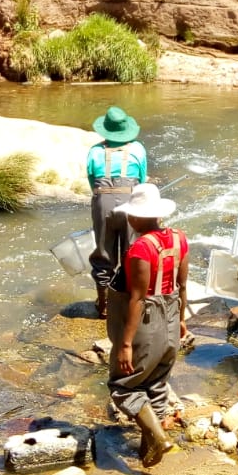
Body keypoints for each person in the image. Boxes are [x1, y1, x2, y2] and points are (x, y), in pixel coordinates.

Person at [107, 182, 187, 469]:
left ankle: (157, 436)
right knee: (155, 383)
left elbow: (138, 299)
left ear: (138, 217)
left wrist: (125, 345)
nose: (128, 219)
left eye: (131, 214)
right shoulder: (178, 238)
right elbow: (181, 284)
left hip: (147, 322)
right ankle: (149, 451)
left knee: (123, 385)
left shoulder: (141, 248)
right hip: (170, 315)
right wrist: (181, 321)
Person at [87, 106, 147, 319]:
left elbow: (91, 181)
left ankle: (103, 305)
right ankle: (129, 303)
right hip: (131, 202)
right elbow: (142, 178)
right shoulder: (138, 149)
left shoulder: (94, 151)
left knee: (103, 252)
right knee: (132, 253)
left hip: (103, 201)